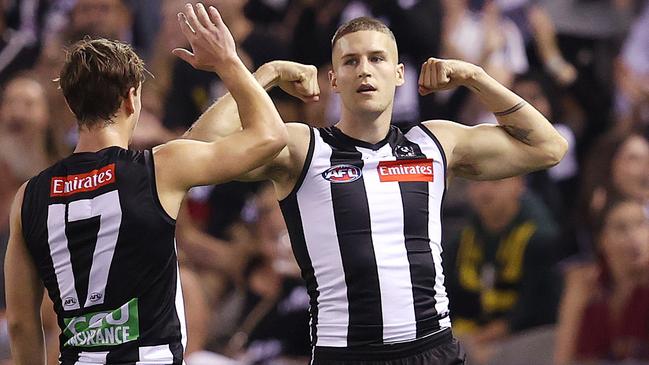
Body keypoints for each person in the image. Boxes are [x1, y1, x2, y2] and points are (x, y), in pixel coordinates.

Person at [177, 16, 568, 364]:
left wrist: (476, 78)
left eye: (377, 59)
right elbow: (194, 153)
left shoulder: (434, 143)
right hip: (347, 353)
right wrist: (266, 75)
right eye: (351, 61)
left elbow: (549, 147)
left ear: (399, 73)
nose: (365, 70)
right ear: (333, 80)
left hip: (432, 348)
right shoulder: (304, 148)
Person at [4, 3, 287, 364]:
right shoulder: (160, 168)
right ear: (131, 98)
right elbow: (270, 136)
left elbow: (21, 326)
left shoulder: (29, 196)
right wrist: (230, 63)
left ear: (71, 104)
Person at [443, 177, 560, 364]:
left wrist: (482, 339)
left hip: (529, 338)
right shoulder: (461, 239)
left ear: (518, 184)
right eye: (477, 182)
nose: (485, 190)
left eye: (496, 182)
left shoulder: (542, 238)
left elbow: (539, 307)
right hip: (470, 337)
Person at [554, 198, 649, 364]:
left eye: (641, 224)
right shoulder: (583, 284)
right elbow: (562, 359)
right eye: (621, 228)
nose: (634, 237)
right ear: (602, 240)